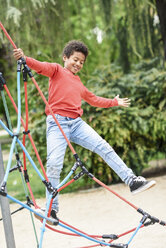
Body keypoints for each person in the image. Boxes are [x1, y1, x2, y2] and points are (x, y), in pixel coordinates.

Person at [13, 40, 156, 224]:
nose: (78, 64)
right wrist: (25, 59)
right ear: (65, 58)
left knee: (103, 147)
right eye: (75, 59)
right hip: (57, 123)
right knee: (54, 164)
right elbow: (41, 66)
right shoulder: (56, 70)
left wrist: (113, 102)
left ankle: (132, 181)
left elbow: (92, 99)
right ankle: (52, 210)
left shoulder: (78, 82)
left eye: (81, 62)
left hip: (77, 124)